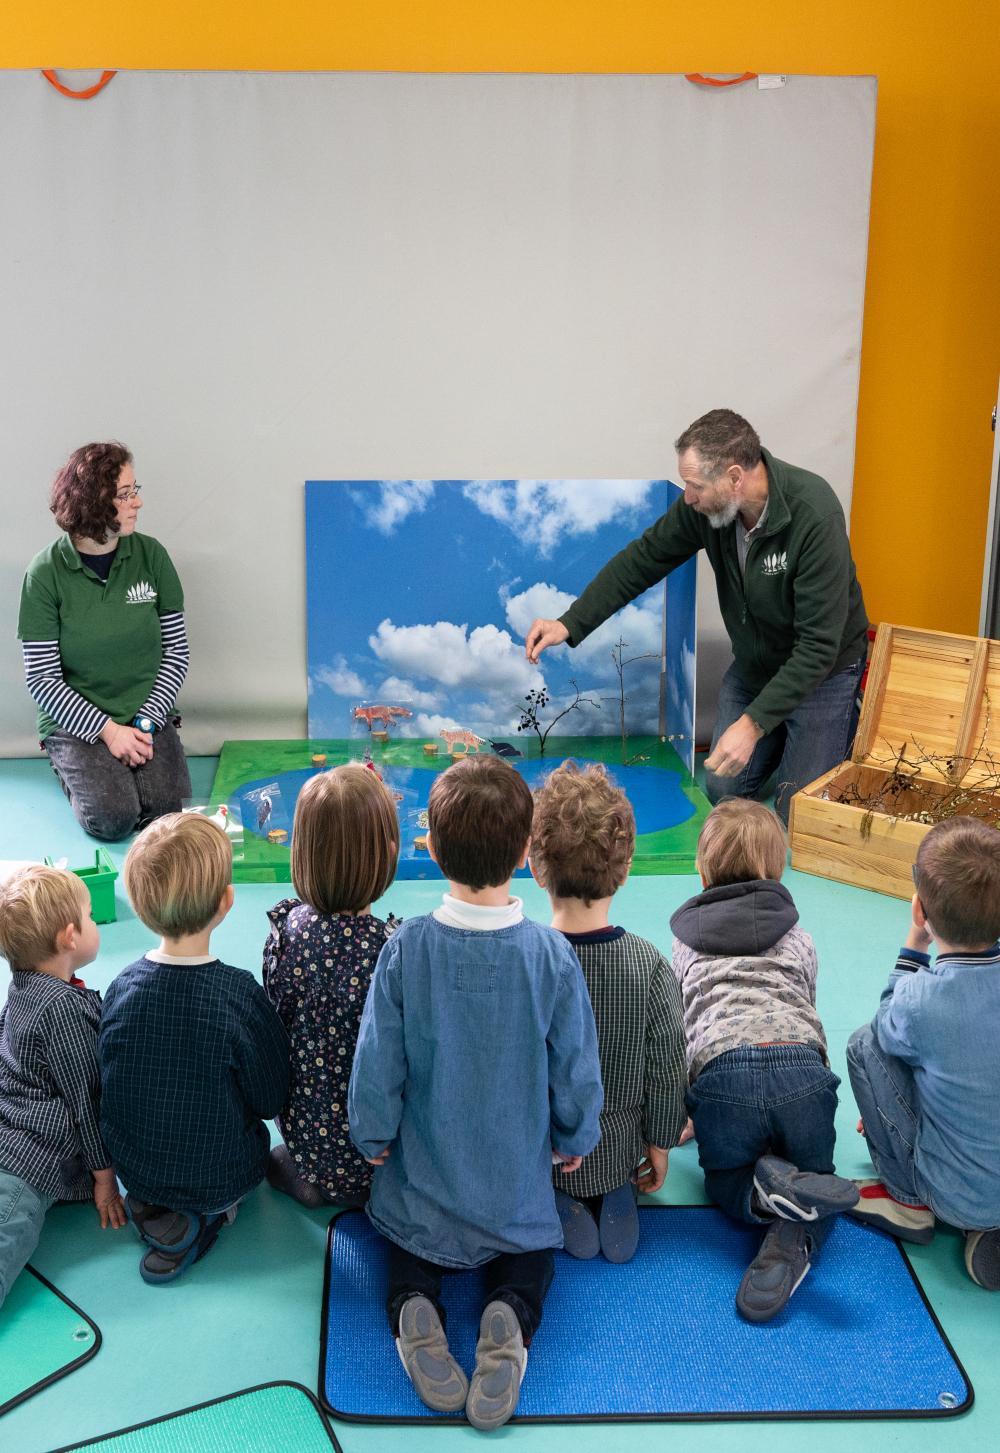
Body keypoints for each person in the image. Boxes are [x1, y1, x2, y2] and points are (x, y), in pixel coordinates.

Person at [348, 755, 602, 1431]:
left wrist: (371, 1134)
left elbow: (377, 1062)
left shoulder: (405, 947)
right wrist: (575, 1137)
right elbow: (576, 1068)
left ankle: (413, 1305)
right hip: (516, 1192)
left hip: (422, 1185)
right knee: (531, 1260)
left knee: (405, 1249)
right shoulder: (551, 955)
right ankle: (510, 1312)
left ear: (431, 848)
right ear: (525, 853)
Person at [524, 409, 868, 822]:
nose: (687, 496)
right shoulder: (706, 510)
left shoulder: (814, 512)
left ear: (735, 477)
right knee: (722, 788)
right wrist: (570, 622)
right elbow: (642, 559)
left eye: (695, 485)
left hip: (824, 673)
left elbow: (818, 647)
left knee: (797, 811)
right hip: (757, 667)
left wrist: (752, 724)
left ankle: (819, 728)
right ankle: (779, 733)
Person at [670, 798, 858, 1322]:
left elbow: (683, 1029)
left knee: (724, 1180)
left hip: (723, 1073)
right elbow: (809, 1010)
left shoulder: (685, 945)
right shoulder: (800, 938)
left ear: (702, 872)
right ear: (776, 874)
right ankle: (794, 1221)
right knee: (821, 1177)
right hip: (803, 1073)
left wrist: (686, 1113)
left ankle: (761, 1193)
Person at [98, 814, 289, 1284]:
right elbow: (270, 1099)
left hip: (135, 1172)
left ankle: (156, 1209)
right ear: (226, 901)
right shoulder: (238, 994)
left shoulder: (121, 987)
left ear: (140, 906)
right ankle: (204, 1218)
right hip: (220, 1177)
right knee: (254, 1160)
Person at [529, 760, 686, 1262]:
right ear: (625, 868)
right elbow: (668, 1066)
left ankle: (557, 1197)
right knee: (619, 1165)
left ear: (535, 865)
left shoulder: (525, 962)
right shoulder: (648, 964)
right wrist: (659, 1144)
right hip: (619, 1147)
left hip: (544, 1149)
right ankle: (616, 1189)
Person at [846, 817, 1000, 1290]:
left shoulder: (920, 1001)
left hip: (952, 1193)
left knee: (864, 1042)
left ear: (919, 909)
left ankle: (909, 1201)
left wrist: (913, 946)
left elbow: (886, 1027)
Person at [18, 440, 191, 841]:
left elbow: (176, 651)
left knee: (168, 814)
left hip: (146, 711)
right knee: (113, 820)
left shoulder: (152, 556)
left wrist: (146, 720)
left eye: (135, 490)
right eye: (125, 494)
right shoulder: (43, 574)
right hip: (76, 720)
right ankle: (66, 762)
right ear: (94, 503)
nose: (137, 502)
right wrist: (109, 732)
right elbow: (42, 679)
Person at [263, 764, 400, 1209]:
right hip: (378, 1150)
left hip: (307, 1138)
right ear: (388, 854)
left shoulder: (284, 932)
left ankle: (313, 1178)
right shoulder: (391, 951)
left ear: (301, 852)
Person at [0, 866, 125, 1307]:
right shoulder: (62, 1010)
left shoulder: (23, 985)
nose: (94, 923)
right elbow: (86, 1101)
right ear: (70, 937)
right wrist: (105, 1178)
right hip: (25, 1162)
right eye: (90, 916)